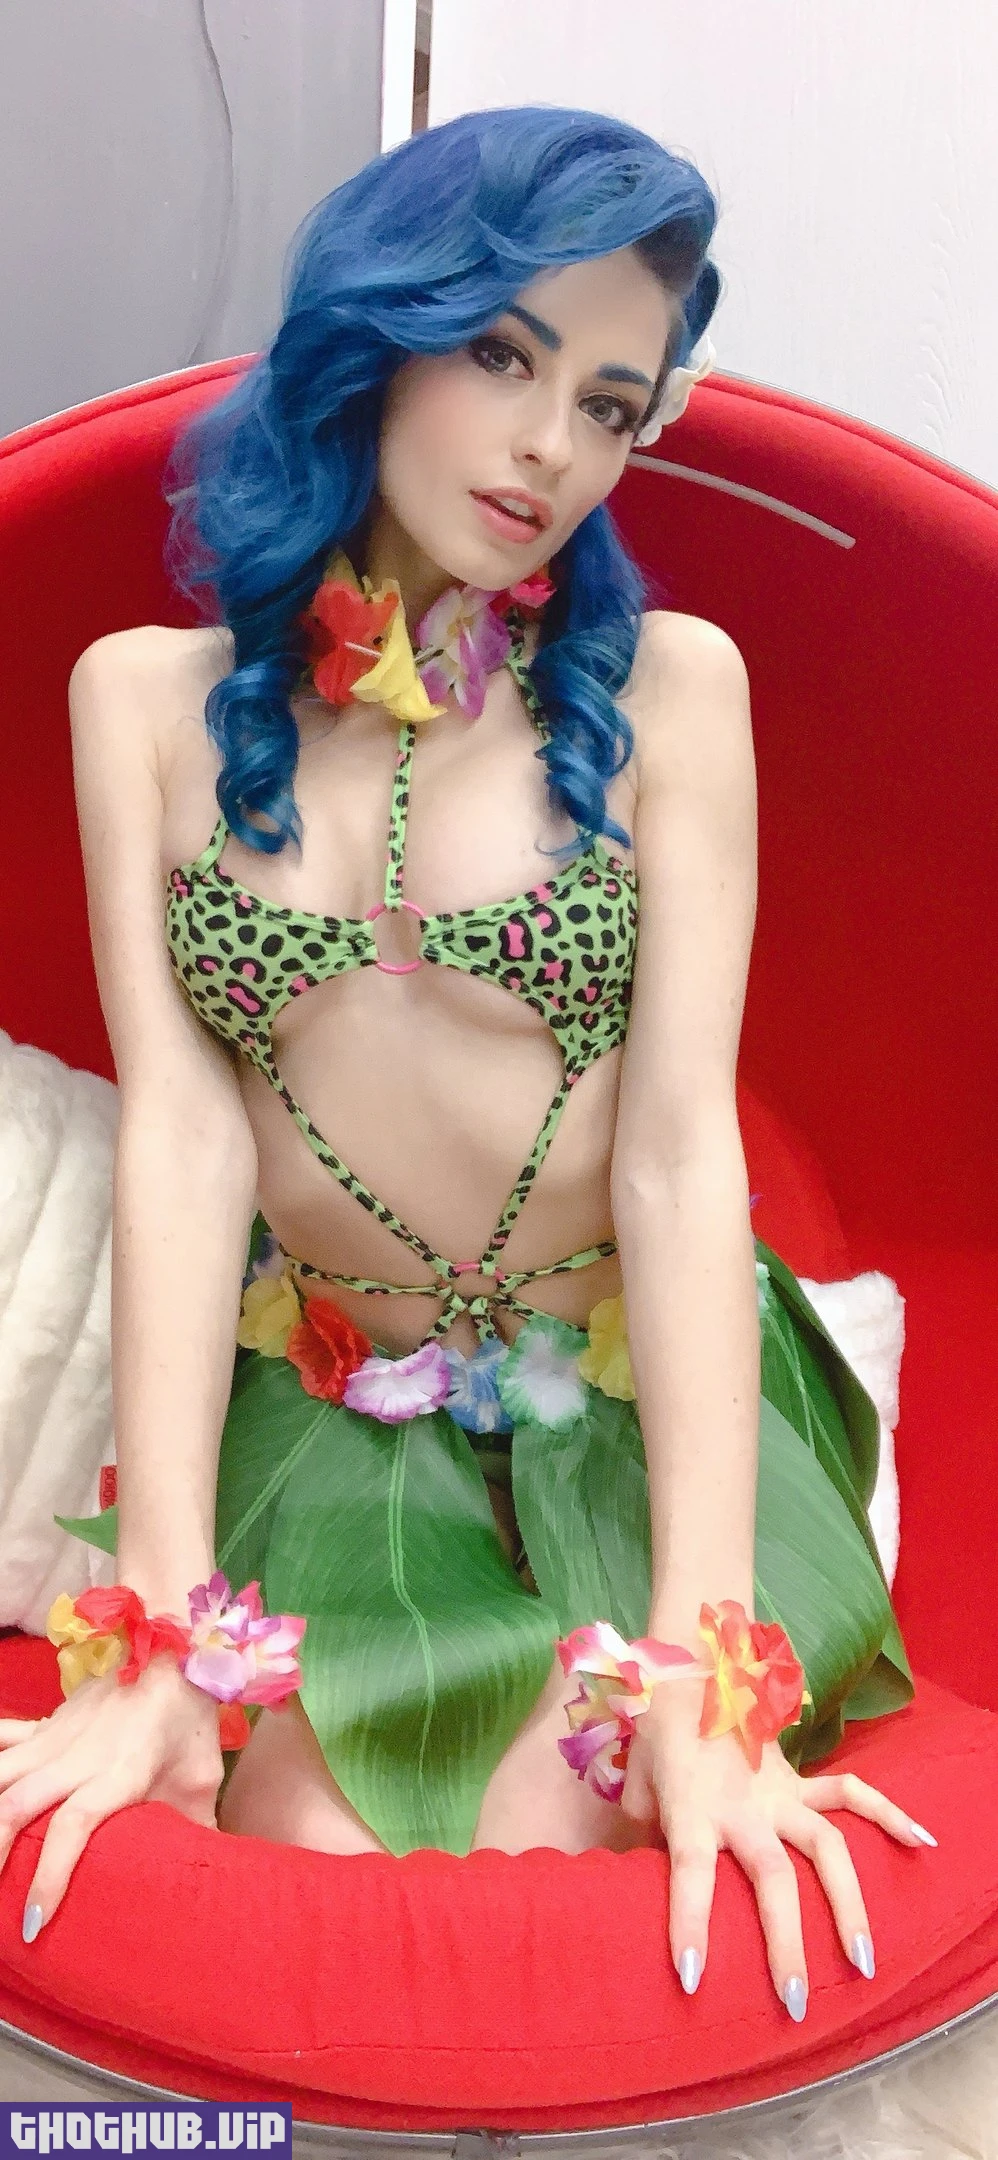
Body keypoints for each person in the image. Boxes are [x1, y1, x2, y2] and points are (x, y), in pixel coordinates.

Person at [0, 106, 927, 2026]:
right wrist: (152, 1635)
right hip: (330, 1400)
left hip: (628, 1402)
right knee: (315, 1868)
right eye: (503, 356)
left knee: (560, 1869)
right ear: (379, 333)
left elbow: (677, 1159)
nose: (549, 447)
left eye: (609, 404)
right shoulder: (142, 708)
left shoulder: (673, 693)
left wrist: (705, 1660)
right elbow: (184, 1147)